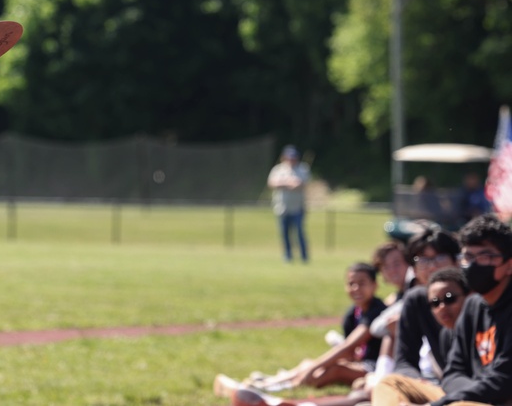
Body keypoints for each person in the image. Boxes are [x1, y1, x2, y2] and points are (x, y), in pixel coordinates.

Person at [371, 213, 512, 406]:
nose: (473, 264)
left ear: (509, 264)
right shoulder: (474, 305)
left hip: (497, 400)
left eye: (485, 256)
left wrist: (446, 401)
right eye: (468, 256)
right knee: (391, 383)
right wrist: (457, 395)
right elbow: (453, 372)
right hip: (466, 396)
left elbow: (503, 383)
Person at [215, 262, 387, 401]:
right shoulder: (352, 313)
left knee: (334, 368)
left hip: (376, 369)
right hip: (359, 363)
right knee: (309, 363)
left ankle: (277, 388)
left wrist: (315, 367)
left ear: (375, 285)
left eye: (362, 283)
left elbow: (349, 345)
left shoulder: (377, 310)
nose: (356, 288)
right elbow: (350, 352)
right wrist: (311, 366)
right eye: (351, 284)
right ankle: (268, 382)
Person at [268, 145, 310, 262]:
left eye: (294, 157)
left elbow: (302, 184)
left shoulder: (302, 169)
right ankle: (288, 255)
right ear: (284, 157)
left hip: (298, 207)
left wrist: (293, 184)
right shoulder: (278, 169)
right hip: (282, 207)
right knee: (285, 234)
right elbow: (272, 183)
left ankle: (304, 256)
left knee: (299, 232)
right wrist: (287, 183)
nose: (291, 160)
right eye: (289, 157)